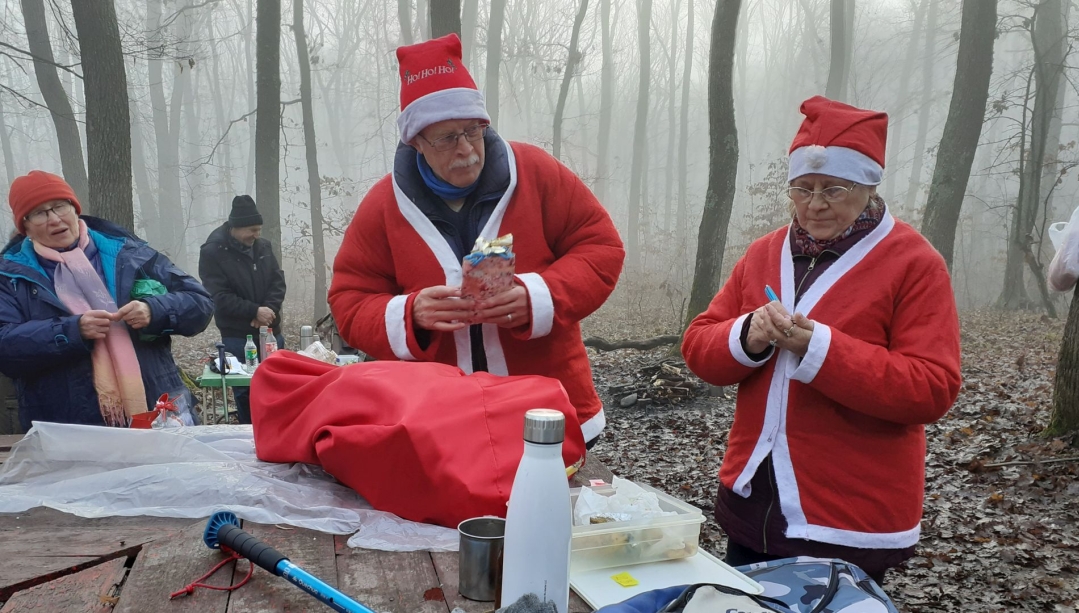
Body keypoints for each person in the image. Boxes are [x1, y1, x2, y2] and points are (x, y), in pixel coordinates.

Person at [681, 96, 962, 583]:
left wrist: (819, 349)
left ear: (869, 185)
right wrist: (747, 335)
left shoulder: (914, 263)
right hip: (753, 503)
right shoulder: (763, 253)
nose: (814, 204)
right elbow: (700, 347)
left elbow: (932, 386)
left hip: (850, 515)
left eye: (834, 189)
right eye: (801, 188)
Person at [328, 34, 624, 446]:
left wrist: (539, 296)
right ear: (415, 142)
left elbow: (601, 248)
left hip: (552, 411)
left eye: (474, 130)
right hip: (441, 422)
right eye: (447, 138)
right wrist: (409, 314)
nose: (466, 149)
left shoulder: (537, 174)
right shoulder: (383, 206)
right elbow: (349, 300)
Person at [0, 170, 214, 429]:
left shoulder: (130, 254)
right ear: (26, 226)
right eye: (40, 213)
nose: (55, 219)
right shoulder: (10, 276)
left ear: (74, 208)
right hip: (67, 427)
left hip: (158, 412)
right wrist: (71, 331)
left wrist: (153, 310)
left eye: (60, 206)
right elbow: (5, 346)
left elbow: (200, 303)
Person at [198, 195, 286, 424]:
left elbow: (278, 282)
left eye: (259, 230)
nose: (257, 235)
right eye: (252, 230)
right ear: (236, 228)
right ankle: (250, 436)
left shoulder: (263, 246)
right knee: (245, 391)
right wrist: (254, 311)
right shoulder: (212, 251)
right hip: (236, 335)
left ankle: (278, 433)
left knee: (278, 387)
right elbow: (218, 296)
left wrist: (268, 311)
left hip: (271, 332)